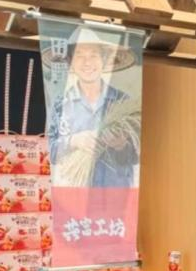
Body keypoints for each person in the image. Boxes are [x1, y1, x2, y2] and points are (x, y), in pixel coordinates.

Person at [46, 25, 139, 189]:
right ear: (70, 62)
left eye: (93, 55)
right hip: (75, 195)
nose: (87, 62)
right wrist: (74, 141)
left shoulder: (123, 101)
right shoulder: (62, 104)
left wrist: (121, 145)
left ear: (104, 60)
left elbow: (134, 157)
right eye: (79, 55)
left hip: (115, 193)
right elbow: (49, 152)